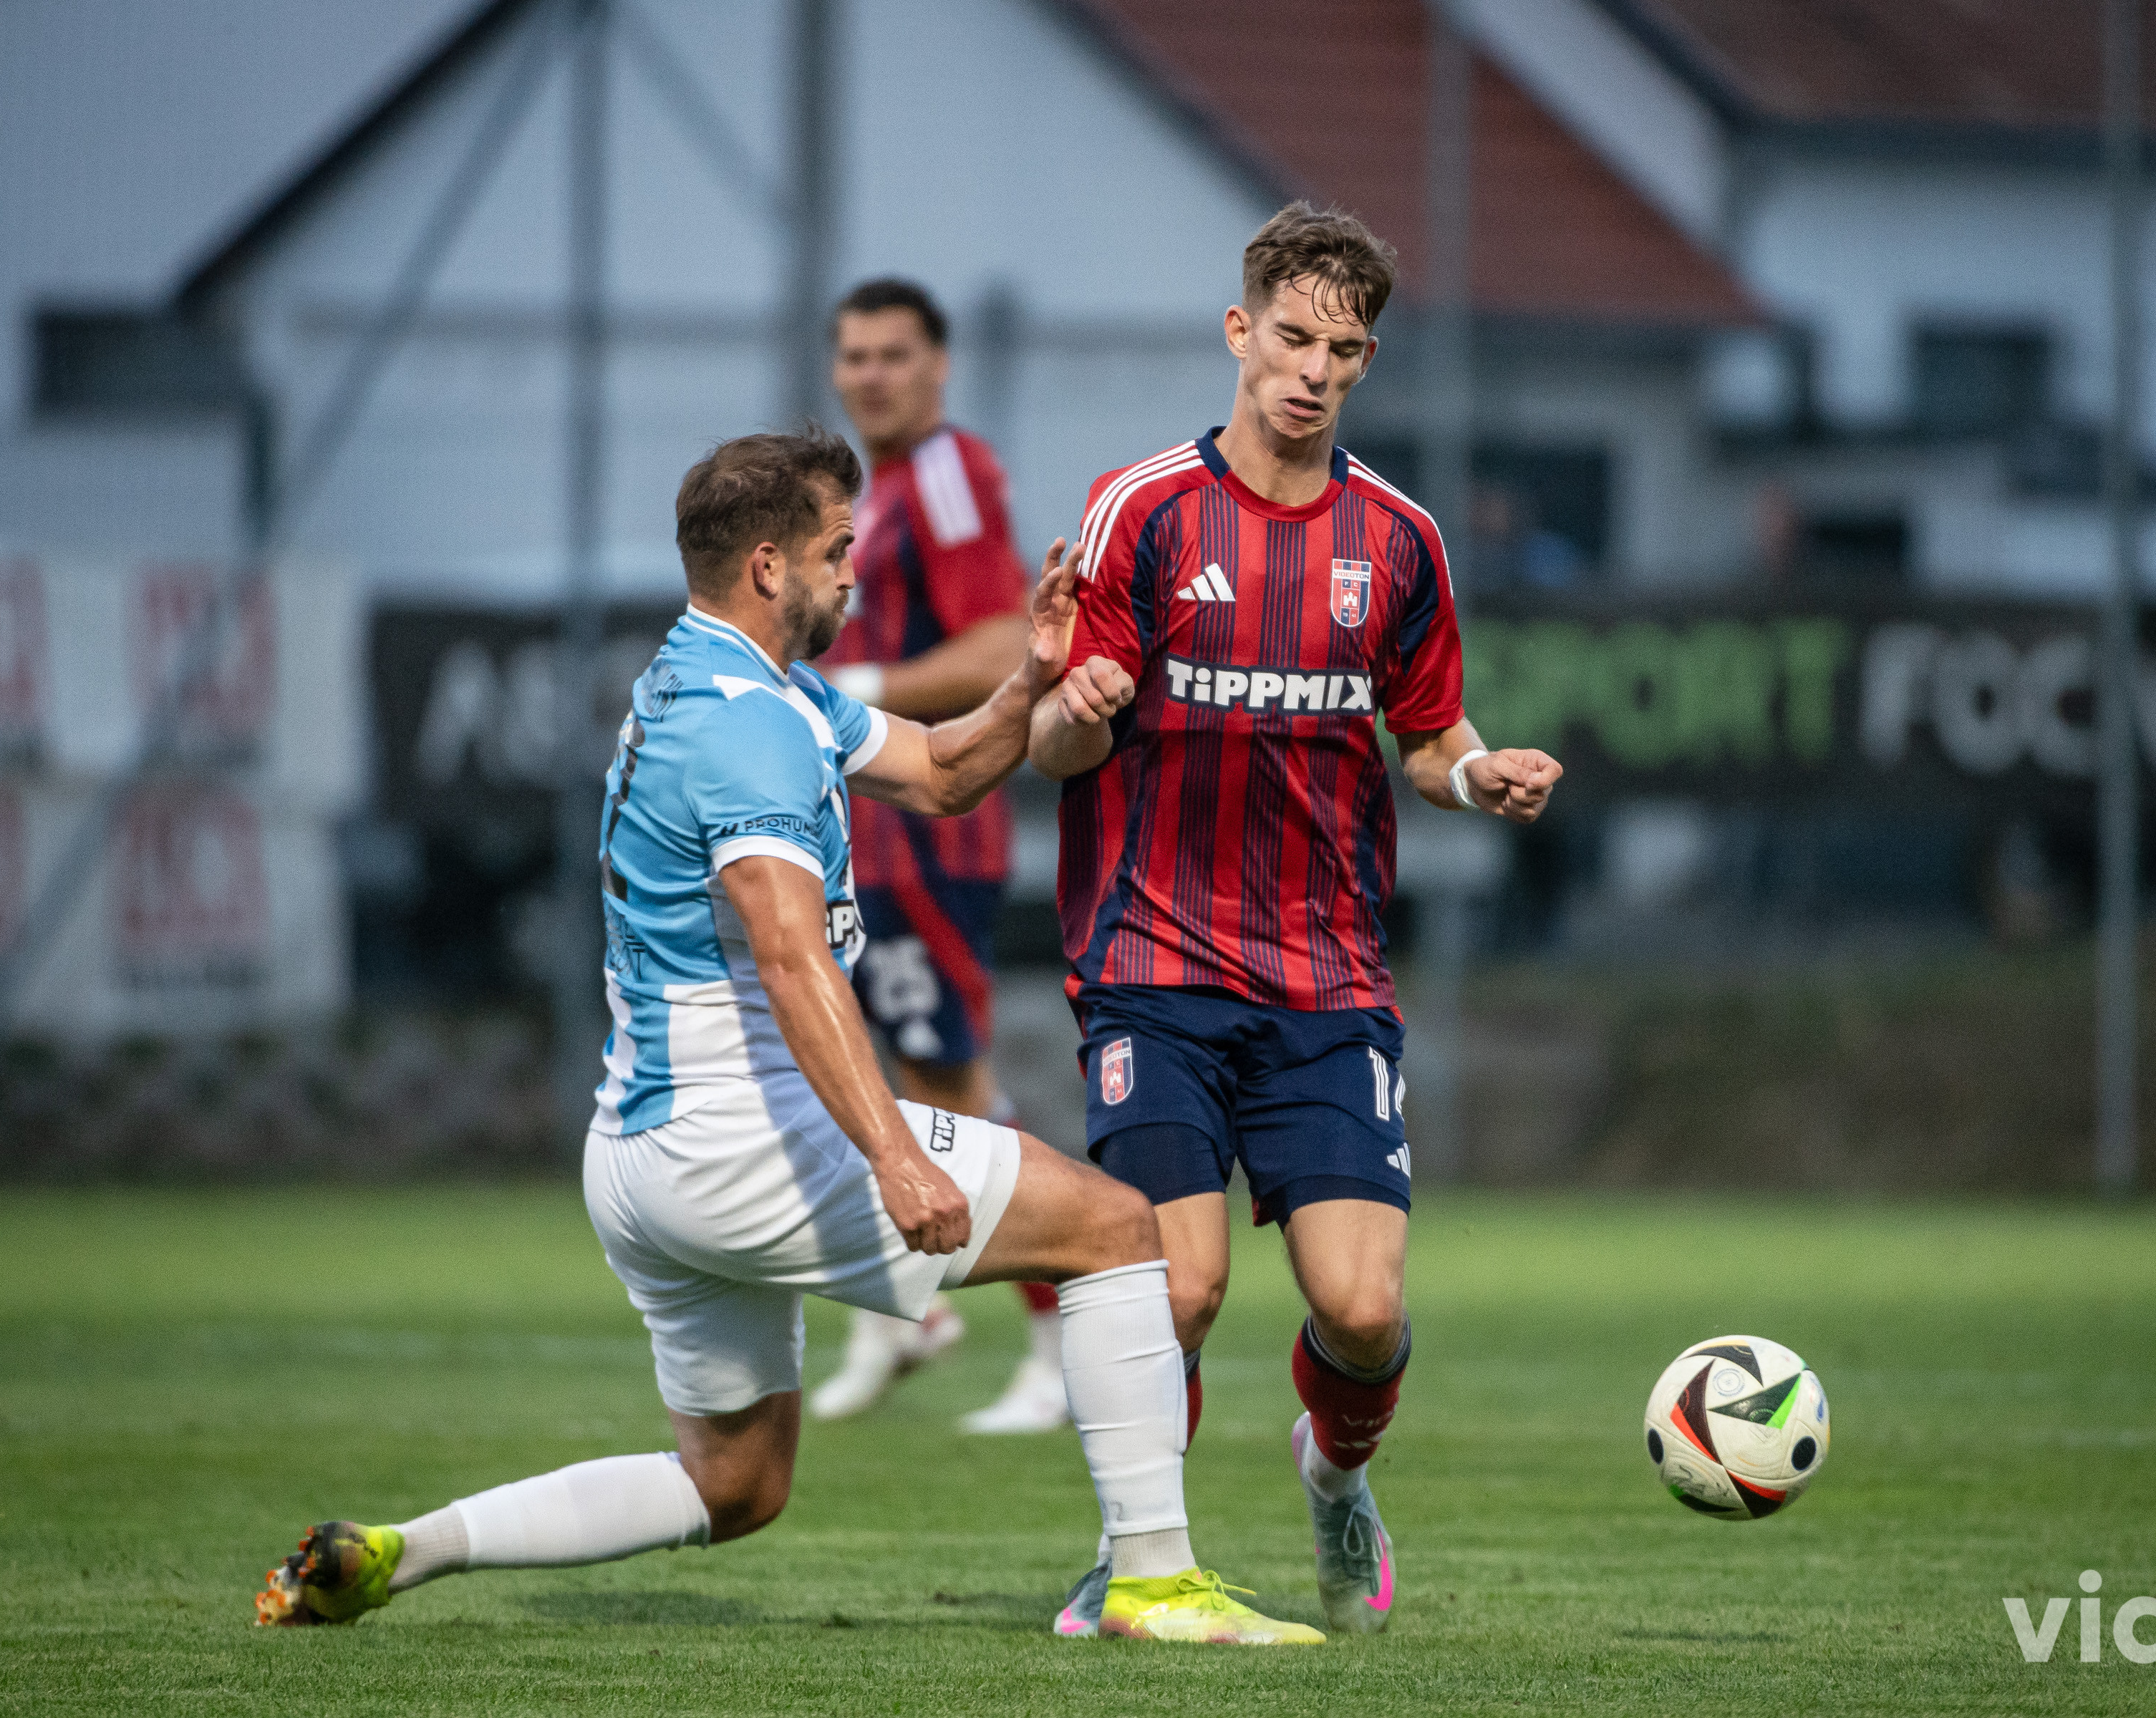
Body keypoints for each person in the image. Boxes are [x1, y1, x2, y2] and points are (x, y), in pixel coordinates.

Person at [253, 429, 1320, 1646]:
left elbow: (940, 771)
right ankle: (1151, 1581)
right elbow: (789, 953)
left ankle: (404, 1550)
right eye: (836, 550)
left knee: (737, 1484)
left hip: (640, 1156)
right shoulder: (746, 727)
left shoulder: (730, 682)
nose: (854, 573)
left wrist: (1031, 678)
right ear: (769, 565)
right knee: (1119, 1230)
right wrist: (895, 1156)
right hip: (737, 1135)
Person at [1026, 203, 1562, 1637]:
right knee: (1175, 1288)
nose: (1315, 370)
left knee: (1364, 1312)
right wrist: (1075, 704)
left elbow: (1429, 736)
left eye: (1344, 349)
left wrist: (1479, 776)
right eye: (1293, 337)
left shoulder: (1400, 540)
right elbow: (1060, 747)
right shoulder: (1142, 511)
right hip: (1153, 965)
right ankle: (1135, 1556)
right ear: (1239, 331)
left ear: (1368, 361)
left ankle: (1334, 1475)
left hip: (1327, 979)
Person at [806, 278, 1063, 1434]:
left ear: (938, 365)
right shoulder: (876, 493)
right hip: (867, 836)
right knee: (892, 1083)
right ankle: (902, 1313)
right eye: (855, 355)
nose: (872, 375)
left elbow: (1007, 644)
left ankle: (1062, 1339)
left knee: (953, 1088)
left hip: (930, 832)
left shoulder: (950, 471)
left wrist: (855, 689)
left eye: (894, 354)